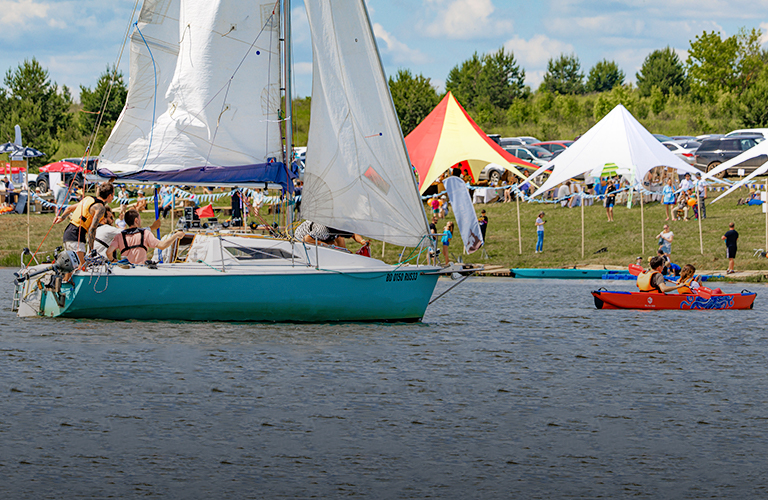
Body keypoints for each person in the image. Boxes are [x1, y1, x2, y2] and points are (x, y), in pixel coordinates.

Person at [53, 182, 114, 267]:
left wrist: (61, 218)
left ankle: (65, 280)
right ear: (110, 196)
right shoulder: (100, 208)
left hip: (68, 232)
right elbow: (92, 229)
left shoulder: (88, 199)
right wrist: (91, 250)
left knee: (71, 267)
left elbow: (69, 208)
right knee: (82, 266)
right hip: (77, 235)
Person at [106, 209, 184, 265]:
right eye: (140, 219)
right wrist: (176, 235)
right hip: (141, 270)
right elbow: (163, 246)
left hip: (126, 269)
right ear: (136, 220)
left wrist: (113, 260)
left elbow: (109, 252)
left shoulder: (119, 236)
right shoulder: (145, 233)